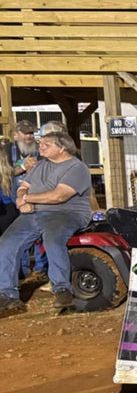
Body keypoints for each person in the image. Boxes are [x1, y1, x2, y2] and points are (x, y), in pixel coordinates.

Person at [0, 131, 92, 315]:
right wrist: (21, 200)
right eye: (40, 143)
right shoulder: (40, 165)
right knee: (6, 243)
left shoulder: (77, 168)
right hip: (34, 213)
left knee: (53, 239)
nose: (40, 147)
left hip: (65, 213)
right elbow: (23, 187)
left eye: (46, 144)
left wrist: (27, 199)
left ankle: (62, 290)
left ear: (62, 147)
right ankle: (7, 295)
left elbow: (58, 196)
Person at [7, 119, 47, 276]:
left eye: (31, 133)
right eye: (26, 133)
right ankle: (22, 270)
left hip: (35, 197)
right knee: (18, 234)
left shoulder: (40, 150)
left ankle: (40, 269)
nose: (29, 136)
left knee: (39, 232)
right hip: (11, 200)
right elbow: (5, 173)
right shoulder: (6, 152)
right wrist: (23, 167)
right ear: (16, 134)